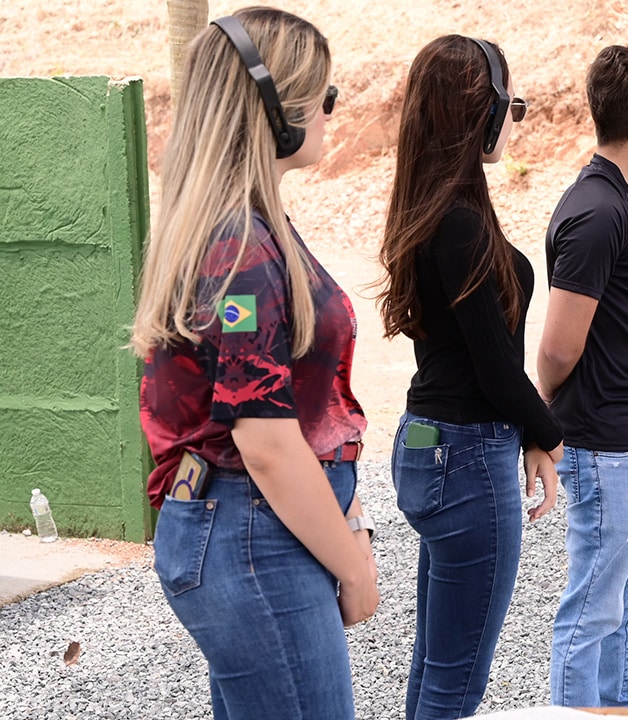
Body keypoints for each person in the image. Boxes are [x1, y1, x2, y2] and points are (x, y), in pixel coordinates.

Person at [132, 9, 378, 719]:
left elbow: (301, 410)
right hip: (251, 530)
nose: (332, 114)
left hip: (254, 528)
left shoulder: (247, 228)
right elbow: (266, 443)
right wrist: (353, 563)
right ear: (276, 106)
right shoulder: (242, 248)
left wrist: (349, 516)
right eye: (323, 97)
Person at [377, 36, 563, 719]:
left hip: (432, 444)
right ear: (477, 114)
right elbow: (495, 368)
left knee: (435, 670)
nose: (514, 119)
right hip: (466, 455)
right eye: (508, 105)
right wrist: (550, 437)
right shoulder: (456, 222)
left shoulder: (440, 207)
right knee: (455, 685)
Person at [539, 46, 628, 709]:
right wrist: (543, 419)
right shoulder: (596, 212)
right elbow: (557, 351)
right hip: (606, 444)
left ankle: (620, 703)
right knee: (594, 603)